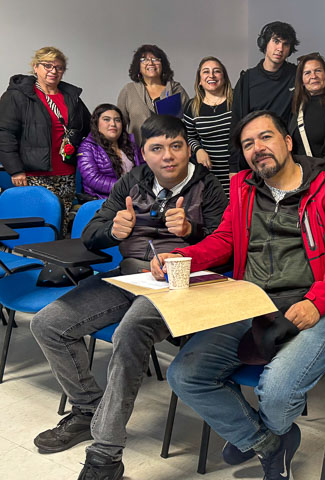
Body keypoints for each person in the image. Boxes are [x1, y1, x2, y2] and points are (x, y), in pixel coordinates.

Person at [159, 110, 325, 480]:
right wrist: (181, 257)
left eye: (265, 137)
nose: (257, 148)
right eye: (247, 144)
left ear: (288, 143)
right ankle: (270, 444)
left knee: (274, 392)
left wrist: (316, 302)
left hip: (316, 306)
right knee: (185, 374)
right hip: (252, 303)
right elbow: (226, 240)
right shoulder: (243, 189)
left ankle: (257, 436)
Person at [29, 115, 227, 479]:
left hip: (179, 283)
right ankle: (88, 410)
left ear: (188, 149)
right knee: (48, 324)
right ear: (144, 155)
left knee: (128, 335)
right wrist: (111, 230)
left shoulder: (209, 186)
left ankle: (105, 455)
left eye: (176, 146)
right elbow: (90, 235)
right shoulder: (131, 182)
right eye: (157, 148)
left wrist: (192, 230)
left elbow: (228, 246)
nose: (168, 156)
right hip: (130, 276)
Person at [230, 21, 325, 173]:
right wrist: (234, 168)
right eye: (276, 41)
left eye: (286, 44)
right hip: (255, 155)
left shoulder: (296, 74)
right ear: (264, 43)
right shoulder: (247, 79)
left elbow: (322, 85)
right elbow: (236, 124)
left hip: (285, 156)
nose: (280, 48)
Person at [0, 46, 90, 223]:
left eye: (59, 67)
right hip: (32, 175)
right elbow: (4, 134)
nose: (53, 71)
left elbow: (87, 127)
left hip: (66, 174)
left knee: (61, 226)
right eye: (47, 65)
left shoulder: (71, 97)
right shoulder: (17, 96)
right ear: (35, 67)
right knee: (37, 226)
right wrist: (16, 170)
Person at [183, 56, 235, 193]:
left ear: (224, 77)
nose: (211, 75)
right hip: (210, 174)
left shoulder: (237, 99)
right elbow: (188, 136)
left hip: (237, 171)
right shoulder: (192, 106)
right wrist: (198, 150)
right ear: (199, 80)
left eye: (216, 71)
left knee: (238, 211)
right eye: (206, 72)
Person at [117, 44, 189, 144]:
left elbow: (190, 123)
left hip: (171, 151)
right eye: (144, 60)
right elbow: (119, 125)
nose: (150, 63)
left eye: (155, 59)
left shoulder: (176, 90)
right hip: (139, 154)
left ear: (162, 64)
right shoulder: (129, 90)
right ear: (138, 66)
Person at [77, 104, 143, 199]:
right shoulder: (87, 147)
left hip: (135, 197)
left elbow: (144, 171)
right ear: (97, 124)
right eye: (106, 119)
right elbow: (93, 179)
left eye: (117, 120)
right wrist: (126, 187)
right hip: (104, 201)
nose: (113, 124)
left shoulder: (131, 145)